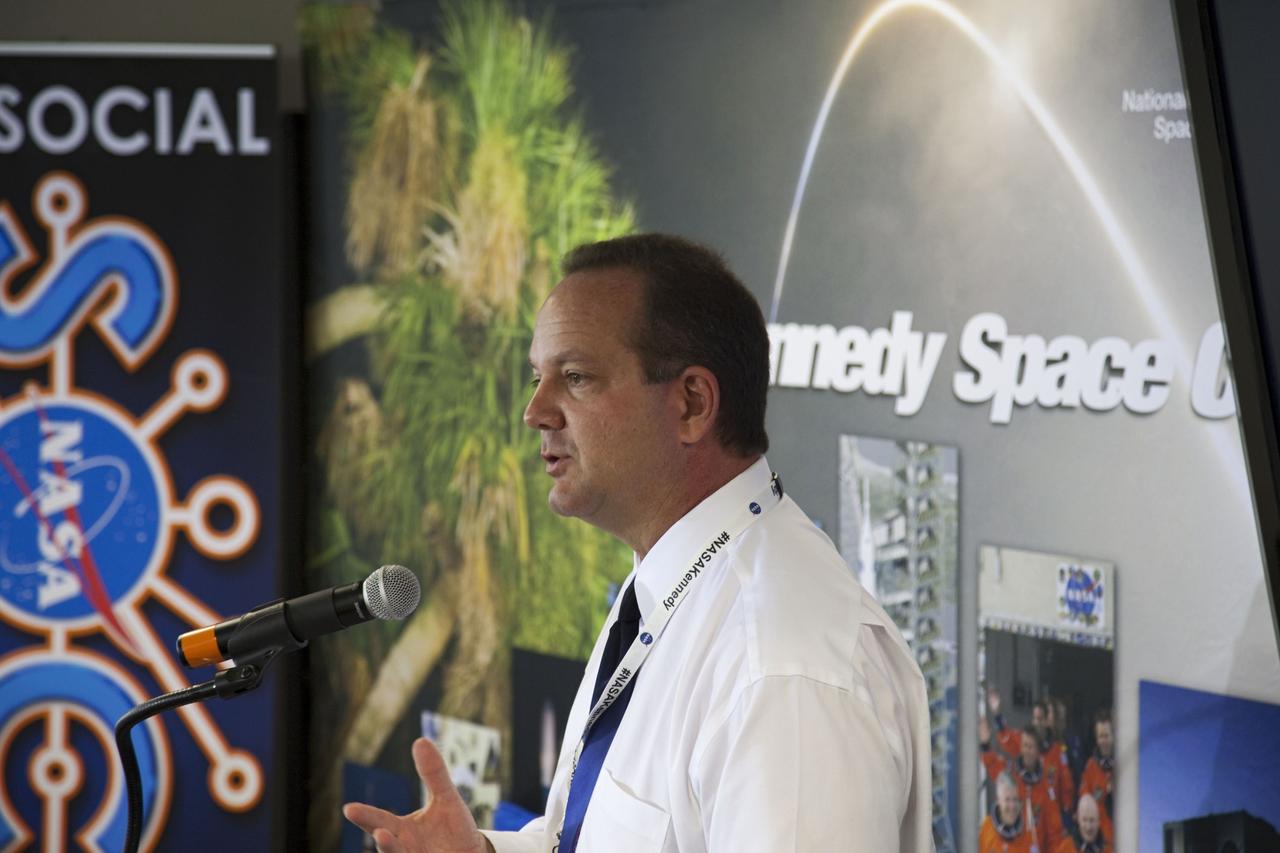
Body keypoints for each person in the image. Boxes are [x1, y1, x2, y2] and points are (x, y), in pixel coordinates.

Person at [342, 234, 933, 852]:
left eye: (575, 378)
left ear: (692, 404)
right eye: (538, 377)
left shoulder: (783, 671)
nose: (535, 411)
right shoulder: (669, 582)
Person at [980, 727, 1066, 852]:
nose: (1027, 751)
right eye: (1025, 745)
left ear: (1038, 751)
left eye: (1031, 746)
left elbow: (1055, 834)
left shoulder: (1047, 790)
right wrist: (985, 745)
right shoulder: (1012, 778)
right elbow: (994, 766)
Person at [1078, 713, 1115, 844]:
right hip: (1099, 840)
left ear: (1113, 736)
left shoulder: (1126, 765)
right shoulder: (1091, 767)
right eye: (1100, 736)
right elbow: (1084, 802)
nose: (1103, 741)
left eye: (1106, 736)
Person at [978, 772, 1037, 853]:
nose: (1012, 806)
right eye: (1007, 800)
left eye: (1015, 799)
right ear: (998, 801)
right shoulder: (986, 829)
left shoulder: (1028, 835)